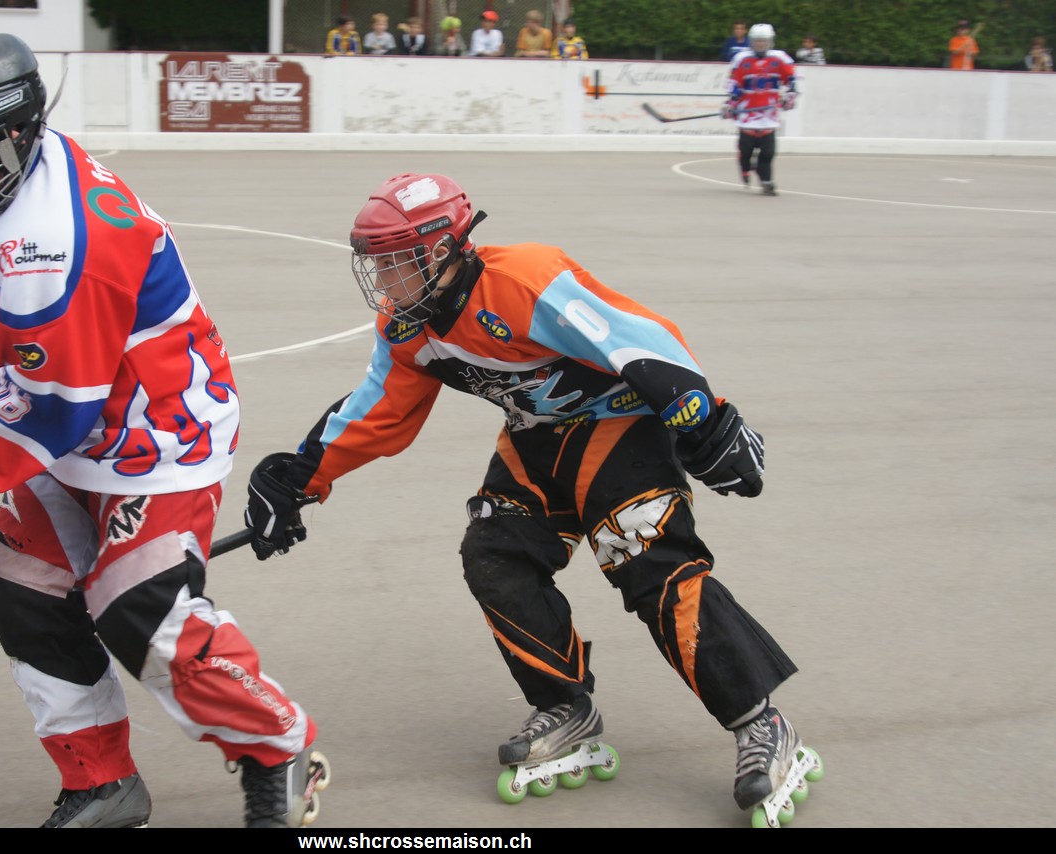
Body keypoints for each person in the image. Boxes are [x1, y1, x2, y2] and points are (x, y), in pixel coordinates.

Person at [242, 172, 816, 825]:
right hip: (535, 440)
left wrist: (706, 420)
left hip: (618, 425)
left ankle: (760, 723)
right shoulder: (408, 327)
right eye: (375, 263)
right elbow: (378, 410)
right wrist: (296, 479)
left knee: (650, 566)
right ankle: (566, 706)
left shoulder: (525, 281)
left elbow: (636, 339)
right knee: (494, 555)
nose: (381, 278)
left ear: (441, 250)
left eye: (394, 261)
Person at [0, 25, 327, 829]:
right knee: (21, 594)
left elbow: (52, 401)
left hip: (155, 433)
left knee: (140, 609)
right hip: (84, 425)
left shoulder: (51, 242)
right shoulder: (13, 177)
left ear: (13, 137)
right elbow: (47, 362)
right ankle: (102, 783)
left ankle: (277, 747)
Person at [722, 23, 797, 196]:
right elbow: (735, 84)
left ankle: (766, 182)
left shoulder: (780, 58)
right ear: (751, 42)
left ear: (770, 42)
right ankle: (746, 168)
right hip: (747, 115)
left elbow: (792, 81)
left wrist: (789, 97)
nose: (760, 44)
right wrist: (730, 104)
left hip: (768, 116)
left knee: (768, 153)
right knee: (746, 153)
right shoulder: (741, 58)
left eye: (763, 41)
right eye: (756, 41)